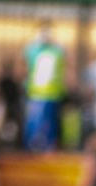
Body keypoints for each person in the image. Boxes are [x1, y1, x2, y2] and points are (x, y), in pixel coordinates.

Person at [23, 21, 66, 151]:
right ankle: (32, 145)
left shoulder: (57, 51)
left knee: (51, 122)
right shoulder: (33, 50)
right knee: (34, 121)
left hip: (53, 94)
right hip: (35, 94)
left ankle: (49, 145)